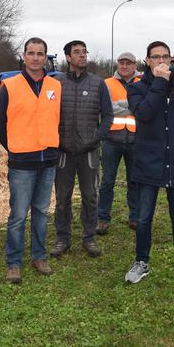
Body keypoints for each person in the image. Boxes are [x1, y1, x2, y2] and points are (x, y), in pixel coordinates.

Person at [124, 41, 174, 285]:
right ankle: (141, 262)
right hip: (149, 161)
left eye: (165, 56)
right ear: (147, 61)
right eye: (156, 57)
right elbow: (145, 113)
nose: (161, 61)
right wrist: (159, 82)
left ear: (171, 59)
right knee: (144, 217)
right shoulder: (137, 89)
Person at [0, 37, 61, 284]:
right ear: (24, 55)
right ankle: (13, 262)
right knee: (19, 214)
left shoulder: (55, 86)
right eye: (30, 53)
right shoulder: (9, 86)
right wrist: (14, 147)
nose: (35, 57)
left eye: (40, 53)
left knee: (41, 212)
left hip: (48, 160)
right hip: (22, 163)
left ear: (45, 57)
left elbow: (58, 120)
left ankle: (39, 256)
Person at [50, 40, 113, 258]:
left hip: (89, 152)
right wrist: (57, 140)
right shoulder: (56, 84)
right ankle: (63, 238)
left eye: (84, 52)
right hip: (63, 152)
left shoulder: (98, 83)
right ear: (67, 57)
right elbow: (49, 116)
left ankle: (89, 238)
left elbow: (108, 116)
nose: (82, 56)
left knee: (90, 196)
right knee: (62, 198)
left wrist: (96, 137)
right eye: (77, 52)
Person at [97, 52, 140, 235]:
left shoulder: (142, 83)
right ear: (117, 65)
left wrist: (119, 106)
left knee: (135, 181)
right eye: (121, 63)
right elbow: (105, 108)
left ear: (134, 65)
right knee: (107, 181)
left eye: (128, 63)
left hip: (136, 140)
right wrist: (131, 105)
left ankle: (135, 217)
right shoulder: (106, 83)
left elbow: (144, 107)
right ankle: (102, 218)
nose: (124, 66)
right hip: (111, 140)